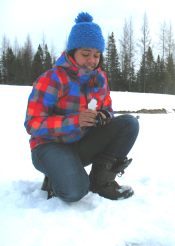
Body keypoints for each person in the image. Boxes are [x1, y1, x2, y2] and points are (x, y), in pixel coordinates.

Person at [24, 12, 139, 202]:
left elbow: (109, 109)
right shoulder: (52, 79)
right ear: (72, 52)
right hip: (48, 147)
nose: (92, 60)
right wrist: (74, 121)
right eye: (86, 54)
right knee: (75, 191)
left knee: (129, 124)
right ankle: (56, 176)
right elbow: (33, 124)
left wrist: (104, 115)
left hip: (80, 144)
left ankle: (100, 181)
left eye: (96, 55)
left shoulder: (99, 79)